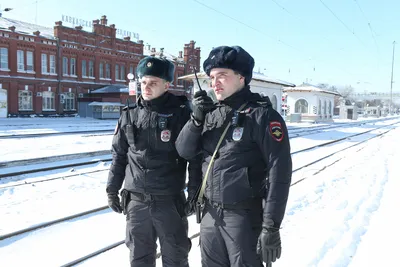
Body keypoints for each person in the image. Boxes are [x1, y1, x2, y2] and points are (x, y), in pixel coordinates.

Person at [175, 46, 292, 267]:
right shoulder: (210, 115)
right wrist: (196, 120)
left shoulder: (263, 116)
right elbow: (184, 151)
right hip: (210, 216)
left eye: (222, 76)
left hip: (244, 218)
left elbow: (280, 173)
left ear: (241, 78)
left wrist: (271, 227)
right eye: (211, 77)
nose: (214, 83)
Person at [106, 56, 202, 267]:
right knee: (139, 259)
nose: (146, 88)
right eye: (143, 83)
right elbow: (119, 155)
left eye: (153, 83)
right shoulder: (129, 115)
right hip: (136, 202)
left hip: (169, 202)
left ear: (167, 85)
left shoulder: (181, 113)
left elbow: (194, 159)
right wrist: (112, 189)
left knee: (175, 259)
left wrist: (193, 194)